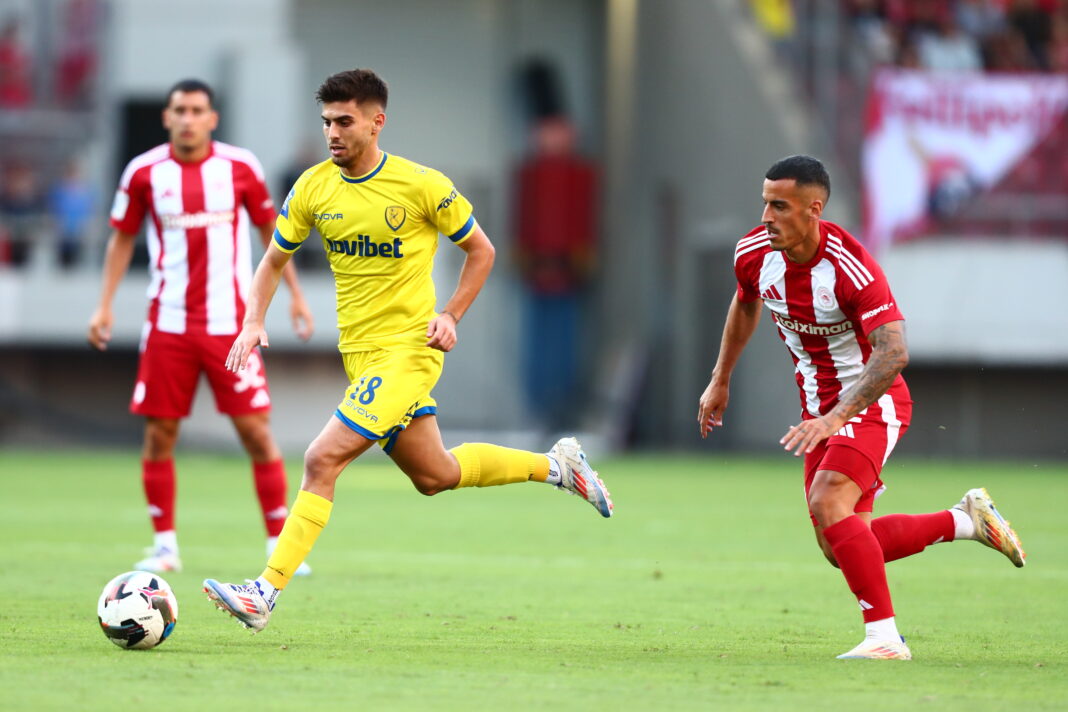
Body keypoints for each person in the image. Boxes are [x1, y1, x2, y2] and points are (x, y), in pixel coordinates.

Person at [203, 68, 613, 633]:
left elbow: (482, 251)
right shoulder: (313, 188)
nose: (333, 133)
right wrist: (253, 321)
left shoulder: (421, 185)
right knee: (435, 474)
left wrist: (450, 314)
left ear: (377, 122)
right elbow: (273, 260)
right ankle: (558, 467)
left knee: (321, 459)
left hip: (409, 352)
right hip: (361, 357)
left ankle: (263, 593)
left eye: (345, 121)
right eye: (326, 122)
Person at [697, 155, 1026, 661]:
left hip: (874, 401)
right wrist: (720, 378)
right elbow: (746, 302)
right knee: (840, 546)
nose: (766, 217)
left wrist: (837, 417)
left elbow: (893, 352)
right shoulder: (754, 253)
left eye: (779, 206)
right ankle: (964, 521)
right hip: (819, 410)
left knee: (828, 501)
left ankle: (884, 639)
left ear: (814, 209)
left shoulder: (850, 267)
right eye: (764, 203)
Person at [88, 79, 315, 575]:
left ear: (212, 118)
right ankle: (164, 546)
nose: (188, 119)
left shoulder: (240, 167)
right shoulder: (144, 172)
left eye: (196, 110)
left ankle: (278, 543)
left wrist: (295, 296)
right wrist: (104, 306)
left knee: (255, 432)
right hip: (168, 324)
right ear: (167, 117)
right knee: (160, 433)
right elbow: (121, 238)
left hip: (231, 326)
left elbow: (275, 234)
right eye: (180, 110)